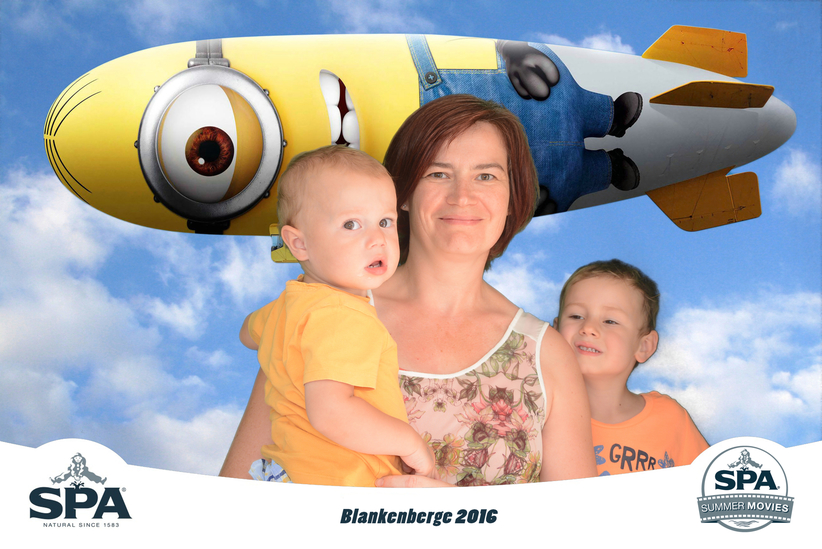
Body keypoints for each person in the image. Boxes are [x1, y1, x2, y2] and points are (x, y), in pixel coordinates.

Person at [221, 94, 597, 486]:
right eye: (437, 174)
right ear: (400, 194)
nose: (462, 196)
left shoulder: (547, 356)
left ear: (512, 197)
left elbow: (579, 521)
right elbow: (235, 499)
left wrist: (454, 515)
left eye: (486, 176)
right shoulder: (322, 309)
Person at [238, 145, 435, 486]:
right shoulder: (346, 316)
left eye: (385, 222)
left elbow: (247, 333)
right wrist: (410, 443)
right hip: (338, 482)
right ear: (299, 244)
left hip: (289, 472)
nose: (377, 239)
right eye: (351, 224)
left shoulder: (289, 304)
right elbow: (331, 413)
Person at [554, 259, 709, 476]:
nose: (588, 328)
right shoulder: (533, 415)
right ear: (554, 331)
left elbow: (710, 486)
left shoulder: (670, 418)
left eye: (610, 321)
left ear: (644, 346)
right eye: (576, 316)